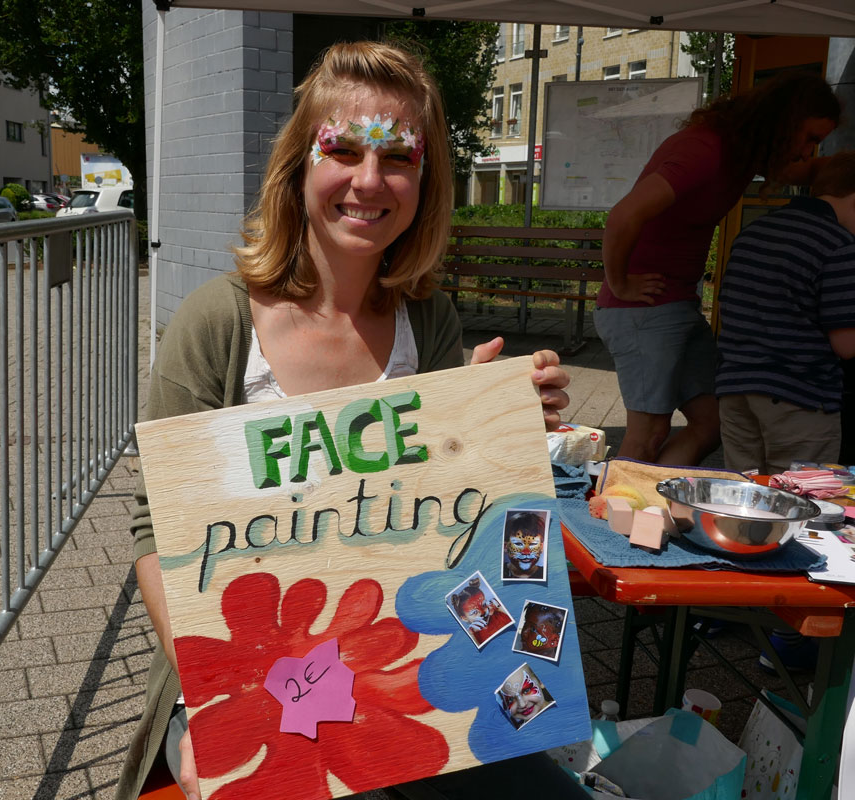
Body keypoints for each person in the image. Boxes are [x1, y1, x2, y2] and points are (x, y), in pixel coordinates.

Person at [116, 41, 577, 800]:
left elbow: (438, 516)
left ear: (424, 182)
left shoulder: (428, 321)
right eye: (344, 150)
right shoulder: (216, 324)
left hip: (397, 664)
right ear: (300, 165)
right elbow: (155, 533)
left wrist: (493, 421)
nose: (369, 180)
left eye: (397, 158)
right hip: (239, 686)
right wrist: (214, 698)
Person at [595, 71, 841, 466]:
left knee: (713, 424)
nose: (809, 152)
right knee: (647, 435)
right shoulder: (706, 151)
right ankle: (612, 522)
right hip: (642, 309)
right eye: (810, 138)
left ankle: (650, 503)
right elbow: (623, 215)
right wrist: (620, 284)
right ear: (784, 123)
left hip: (676, 305)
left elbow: (802, 172)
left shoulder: (743, 152)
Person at [716, 151, 855, 475]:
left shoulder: (753, 232)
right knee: (799, 503)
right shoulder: (839, 244)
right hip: (800, 396)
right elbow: (846, 344)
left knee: (743, 495)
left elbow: (728, 306)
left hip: (736, 389)